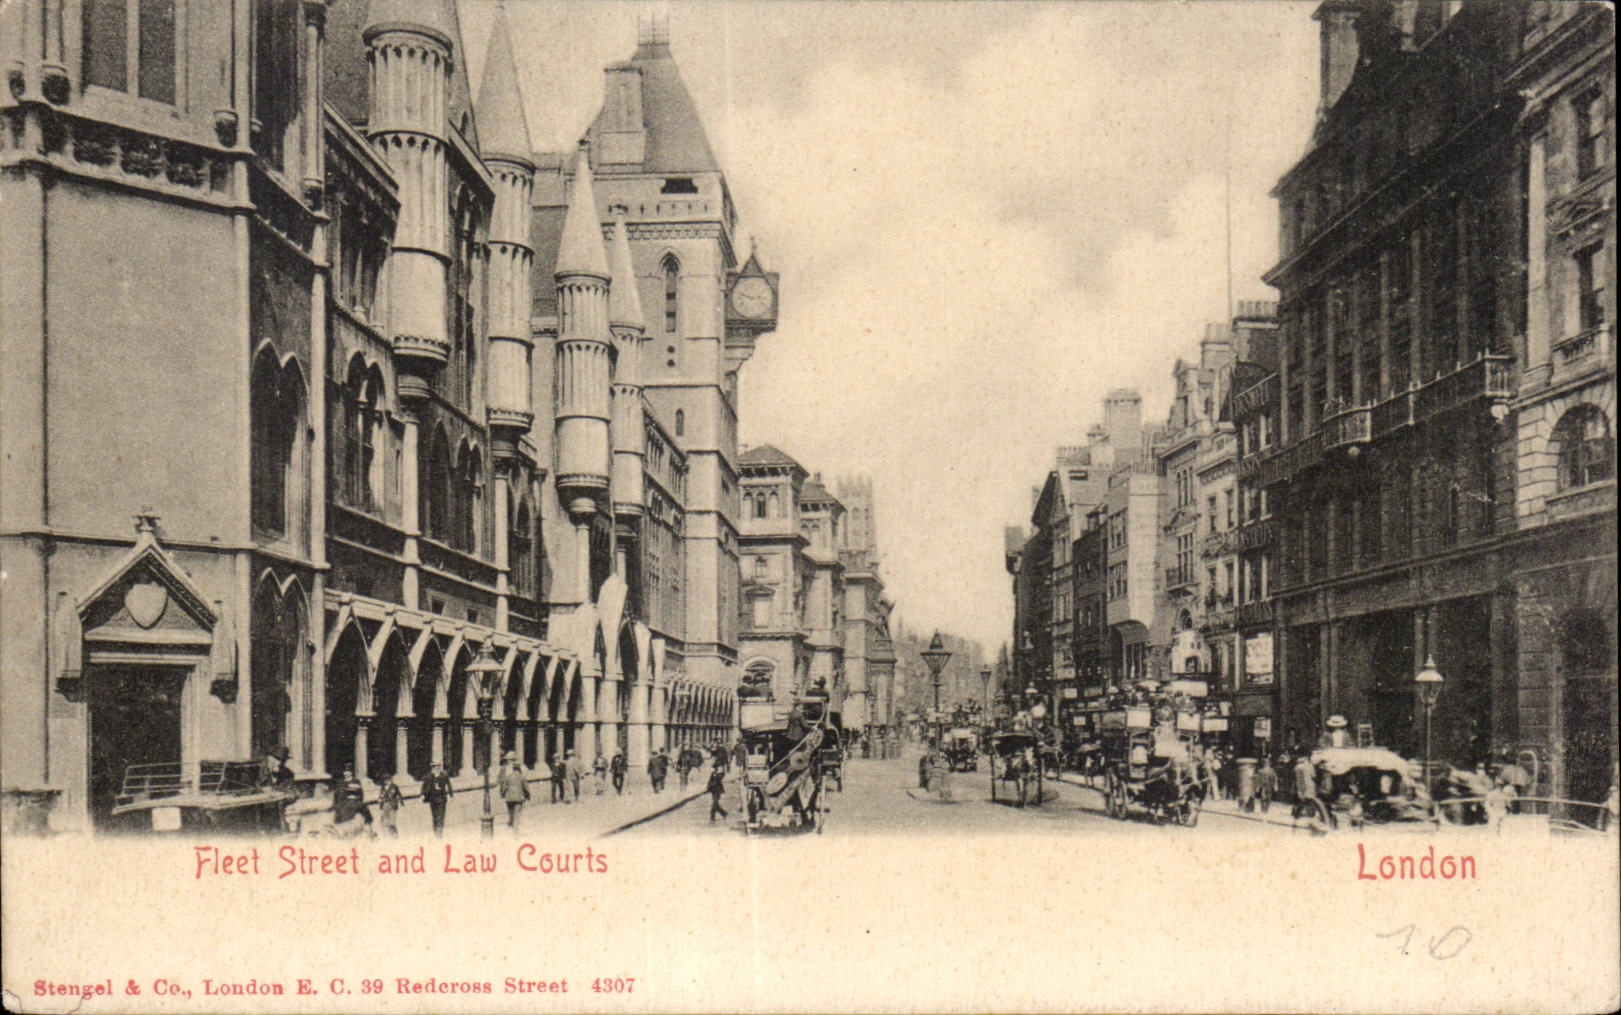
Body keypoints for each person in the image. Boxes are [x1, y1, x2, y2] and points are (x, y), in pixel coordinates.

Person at [331, 769, 373, 835]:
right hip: (351, 830)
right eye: (345, 772)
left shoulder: (356, 781)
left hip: (343, 830)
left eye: (347, 772)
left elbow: (336, 821)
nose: (346, 773)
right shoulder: (341, 782)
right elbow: (369, 819)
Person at [497, 751, 529, 830]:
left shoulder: (506, 769)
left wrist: (502, 792)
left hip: (509, 794)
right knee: (516, 812)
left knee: (510, 810)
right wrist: (527, 795)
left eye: (510, 760)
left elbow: (501, 780)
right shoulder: (519, 769)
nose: (509, 761)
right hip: (518, 794)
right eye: (508, 760)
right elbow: (525, 782)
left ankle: (512, 822)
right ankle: (515, 827)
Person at [422, 762, 453, 836]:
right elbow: (424, 786)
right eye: (435, 767)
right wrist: (422, 794)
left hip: (441, 798)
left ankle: (439, 833)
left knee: (441, 815)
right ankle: (436, 831)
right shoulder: (429, 776)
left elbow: (449, 785)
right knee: (435, 816)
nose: (437, 768)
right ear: (432, 768)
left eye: (438, 766)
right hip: (432, 798)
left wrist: (451, 795)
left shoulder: (444, 775)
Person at [377, 773, 403, 838]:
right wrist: (379, 799)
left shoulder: (394, 786)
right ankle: (387, 835)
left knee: (392, 821)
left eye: (387, 780)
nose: (386, 781)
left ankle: (394, 835)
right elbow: (381, 795)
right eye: (385, 780)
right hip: (385, 804)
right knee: (385, 821)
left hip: (392, 805)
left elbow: (399, 795)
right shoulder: (383, 787)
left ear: (390, 780)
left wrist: (401, 802)